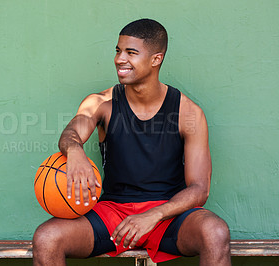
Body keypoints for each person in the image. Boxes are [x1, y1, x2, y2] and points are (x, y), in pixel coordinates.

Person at [33, 18, 231, 265]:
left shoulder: (189, 114)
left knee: (215, 232)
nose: (119, 59)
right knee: (47, 237)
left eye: (131, 52)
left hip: (167, 216)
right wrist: (74, 150)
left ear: (156, 59)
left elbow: (199, 189)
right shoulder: (101, 103)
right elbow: (72, 133)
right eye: (118, 51)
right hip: (113, 213)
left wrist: (154, 215)